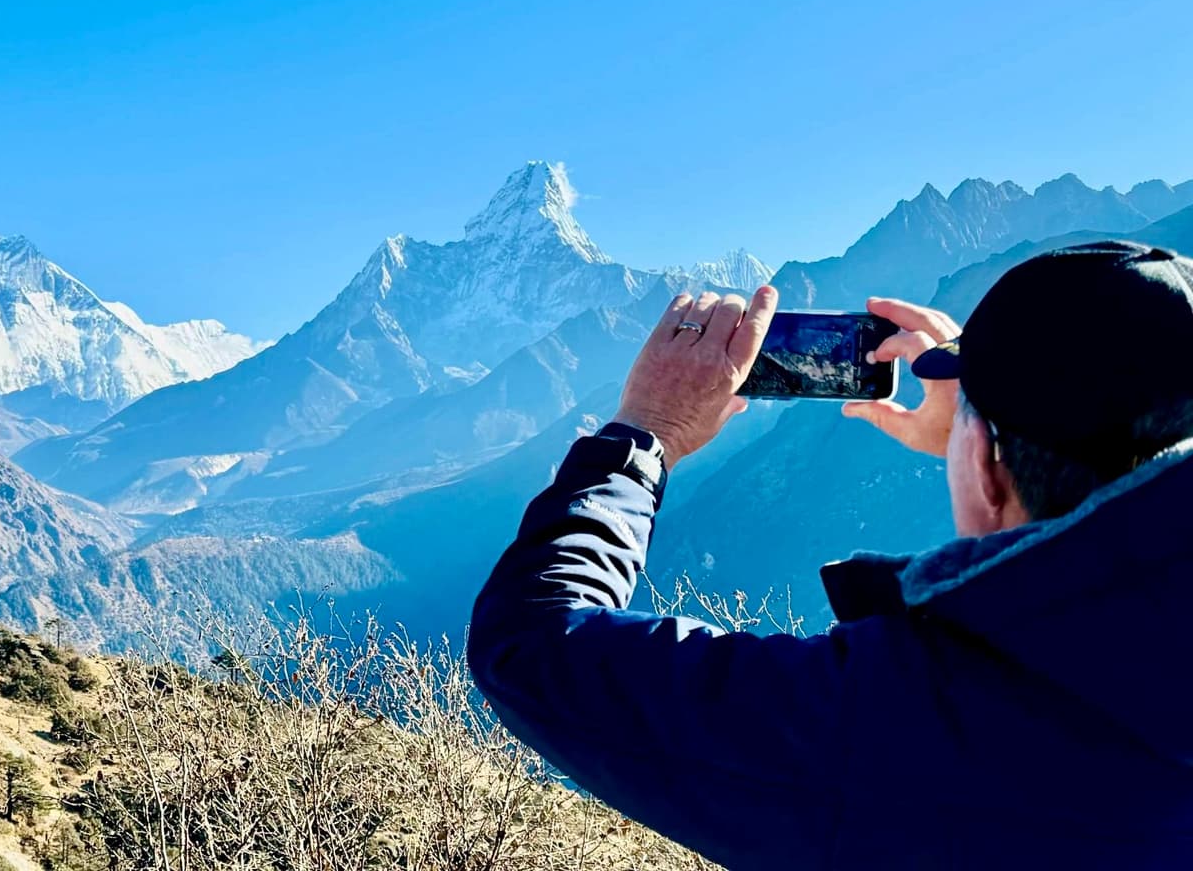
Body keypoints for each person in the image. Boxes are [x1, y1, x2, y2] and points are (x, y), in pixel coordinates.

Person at [468, 240, 1193, 870]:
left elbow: (533, 643)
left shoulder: (911, 729)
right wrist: (984, 455)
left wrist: (645, 431)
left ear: (987, 463)